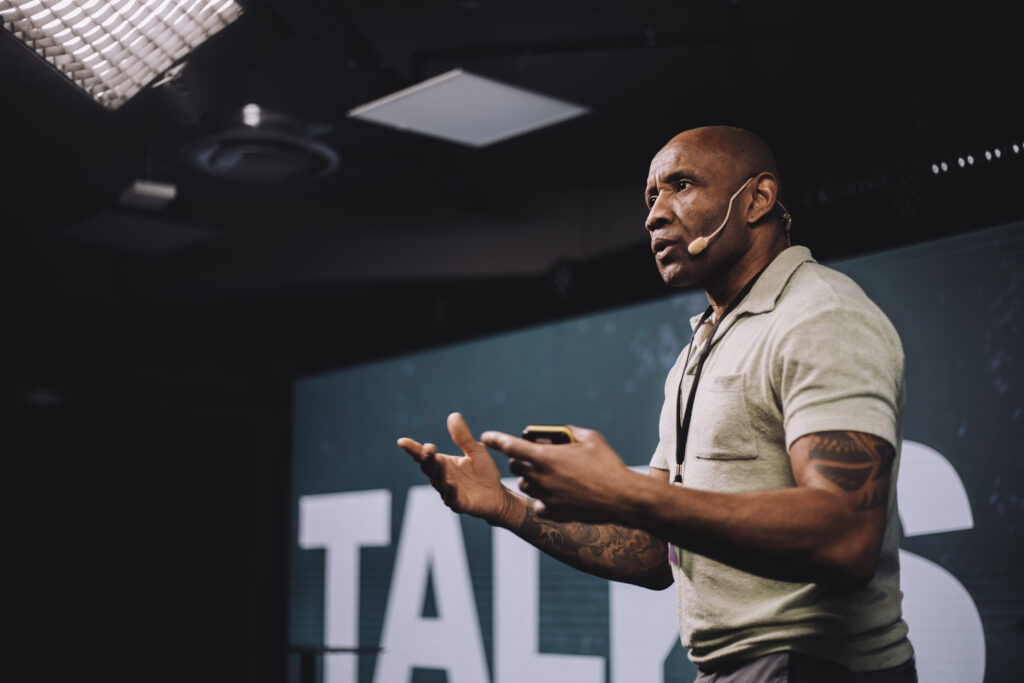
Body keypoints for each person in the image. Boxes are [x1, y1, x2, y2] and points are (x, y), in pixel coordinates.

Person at [398, 126, 916, 682]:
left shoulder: (819, 316)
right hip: (730, 670)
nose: (653, 215)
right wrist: (507, 507)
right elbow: (653, 552)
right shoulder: (701, 347)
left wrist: (629, 492)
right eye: (651, 197)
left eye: (682, 186)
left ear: (757, 200)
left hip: (818, 666)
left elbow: (847, 536)